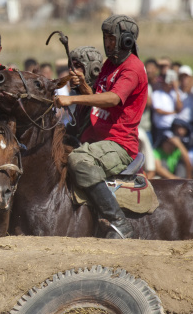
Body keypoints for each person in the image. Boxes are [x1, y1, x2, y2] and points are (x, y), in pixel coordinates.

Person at [54, 15, 147, 239]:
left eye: (111, 38)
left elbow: (113, 99)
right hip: (97, 140)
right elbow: (98, 98)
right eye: (105, 38)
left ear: (126, 40)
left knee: (79, 160)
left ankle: (118, 221)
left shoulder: (132, 68)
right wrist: (84, 86)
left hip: (119, 144)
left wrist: (72, 100)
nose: (106, 43)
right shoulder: (109, 65)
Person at [151, 69, 182, 142]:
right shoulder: (156, 94)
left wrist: (176, 89)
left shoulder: (175, 93)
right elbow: (158, 110)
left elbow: (179, 108)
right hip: (161, 128)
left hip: (174, 128)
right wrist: (174, 112)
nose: (170, 85)